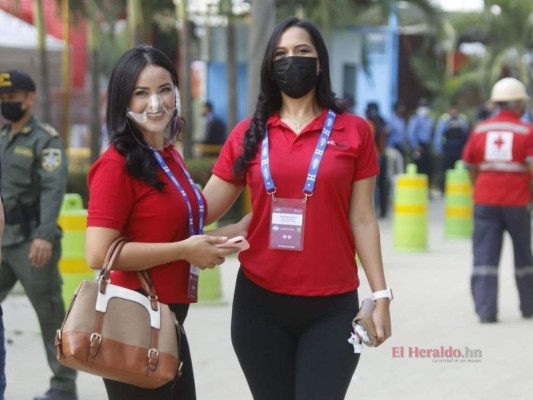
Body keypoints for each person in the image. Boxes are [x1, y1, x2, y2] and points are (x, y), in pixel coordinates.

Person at [202, 17, 392, 400]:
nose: (292, 61)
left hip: (332, 308)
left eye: (302, 52)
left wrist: (382, 296)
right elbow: (200, 209)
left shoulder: (353, 131)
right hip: (259, 305)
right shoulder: (248, 134)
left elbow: (363, 218)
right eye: (281, 55)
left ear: (319, 62)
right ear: (270, 68)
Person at [85, 45, 248, 400]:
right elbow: (98, 253)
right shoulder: (116, 164)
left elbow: (177, 228)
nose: (155, 103)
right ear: (122, 101)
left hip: (169, 323)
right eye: (140, 93)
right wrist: (184, 250)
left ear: (177, 92)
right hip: (133, 325)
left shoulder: (167, 155)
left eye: (163, 90)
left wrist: (229, 234)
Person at [0, 69, 77, 400]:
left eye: (11, 98)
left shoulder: (45, 140)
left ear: (29, 99)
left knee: (49, 315)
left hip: (33, 242)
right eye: (2, 99)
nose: (6, 104)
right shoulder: (3, 138)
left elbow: (52, 190)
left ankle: (63, 385)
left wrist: (45, 236)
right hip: (3, 240)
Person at [462, 77, 533, 323]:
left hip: (485, 202)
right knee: (524, 255)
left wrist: (479, 188)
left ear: (496, 104)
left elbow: (470, 164)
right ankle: (529, 306)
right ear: (518, 105)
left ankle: (486, 310)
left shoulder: (480, 130)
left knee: (484, 258)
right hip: (517, 202)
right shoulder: (527, 131)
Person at [433, 103, 470, 193]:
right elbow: (438, 136)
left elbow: (467, 135)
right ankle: (443, 189)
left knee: (460, 169)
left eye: (455, 109)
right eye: (452, 109)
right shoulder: (444, 120)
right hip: (448, 148)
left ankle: (459, 188)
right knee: (445, 169)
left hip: (460, 148)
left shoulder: (462, 120)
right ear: (449, 110)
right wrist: (438, 149)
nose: (453, 111)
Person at [365, 102, 389, 218]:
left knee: (372, 186)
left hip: (372, 156)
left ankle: (374, 211)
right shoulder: (382, 122)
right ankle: (382, 210)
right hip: (380, 155)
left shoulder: (367, 123)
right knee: (381, 184)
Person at [407, 98, 434, 181]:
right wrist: (416, 145)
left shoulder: (429, 120)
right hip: (418, 146)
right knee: (418, 167)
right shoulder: (415, 119)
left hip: (426, 146)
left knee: (427, 169)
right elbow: (410, 133)